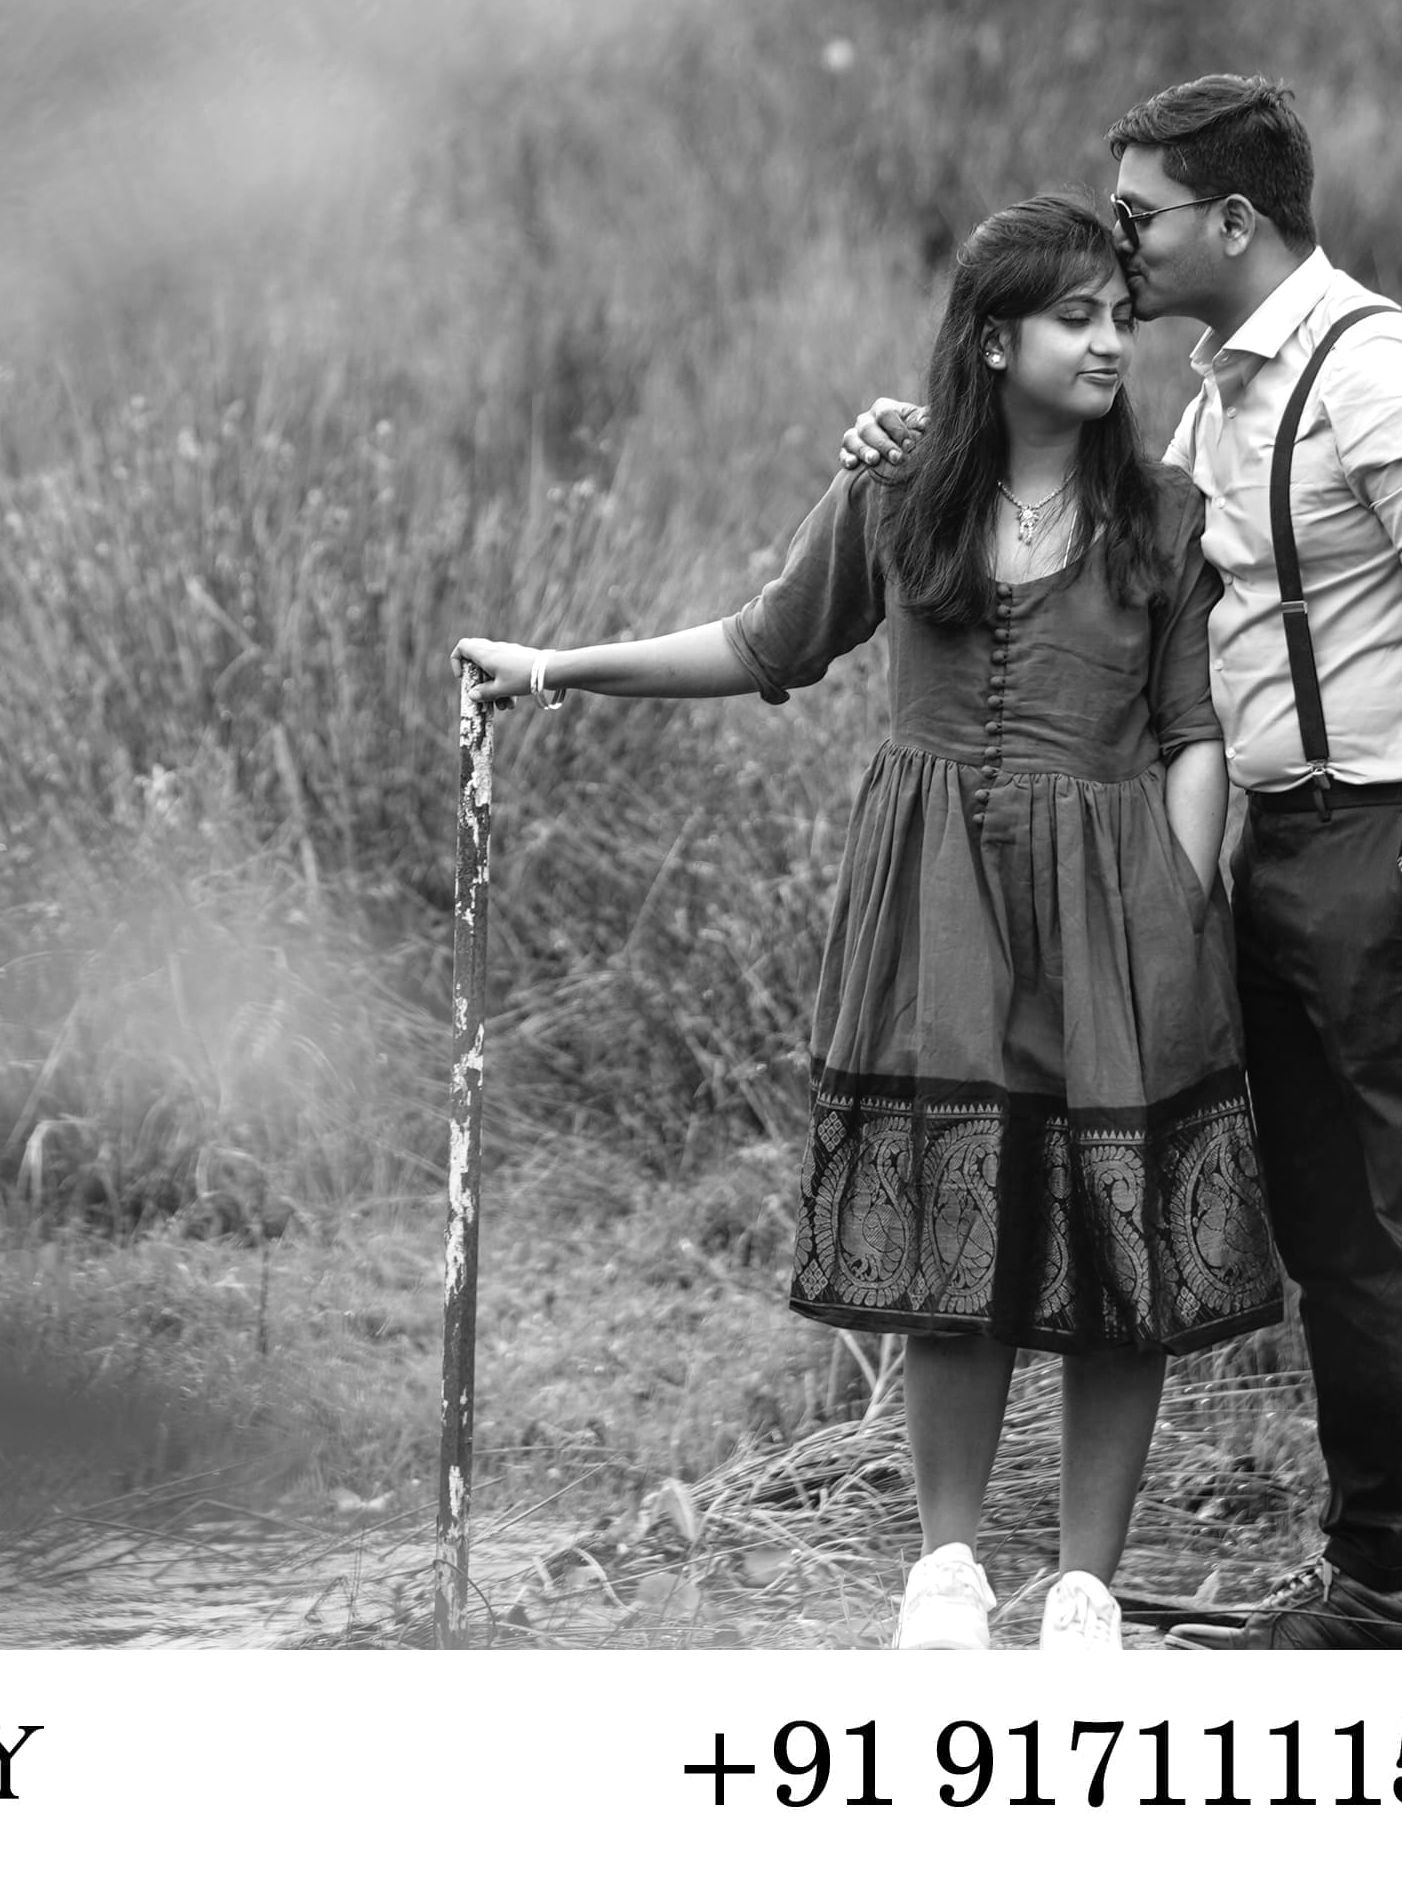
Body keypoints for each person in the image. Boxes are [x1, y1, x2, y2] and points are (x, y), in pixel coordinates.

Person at [838, 74, 1402, 1652]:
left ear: (1233, 222)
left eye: (1141, 221)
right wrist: (917, 436)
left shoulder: (1382, 372)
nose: (1122, 248)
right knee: (1339, 1241)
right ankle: (1378, 1582)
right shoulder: (1214, 399)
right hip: (1290, 851)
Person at [457, 195, 1279, 1654]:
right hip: (937, 902)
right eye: (1073, 317)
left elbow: (1194, 725)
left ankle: (1087, 1586)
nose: (1107, 343)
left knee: (1112, 1241)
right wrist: (555, 666)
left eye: (1115, 316)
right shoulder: (896, 495)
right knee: (949, 1228)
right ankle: (947, 1572)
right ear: (992, 338)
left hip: (1114, 901)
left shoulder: (1159, 516)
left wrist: (1178, 890)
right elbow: (764, 641)